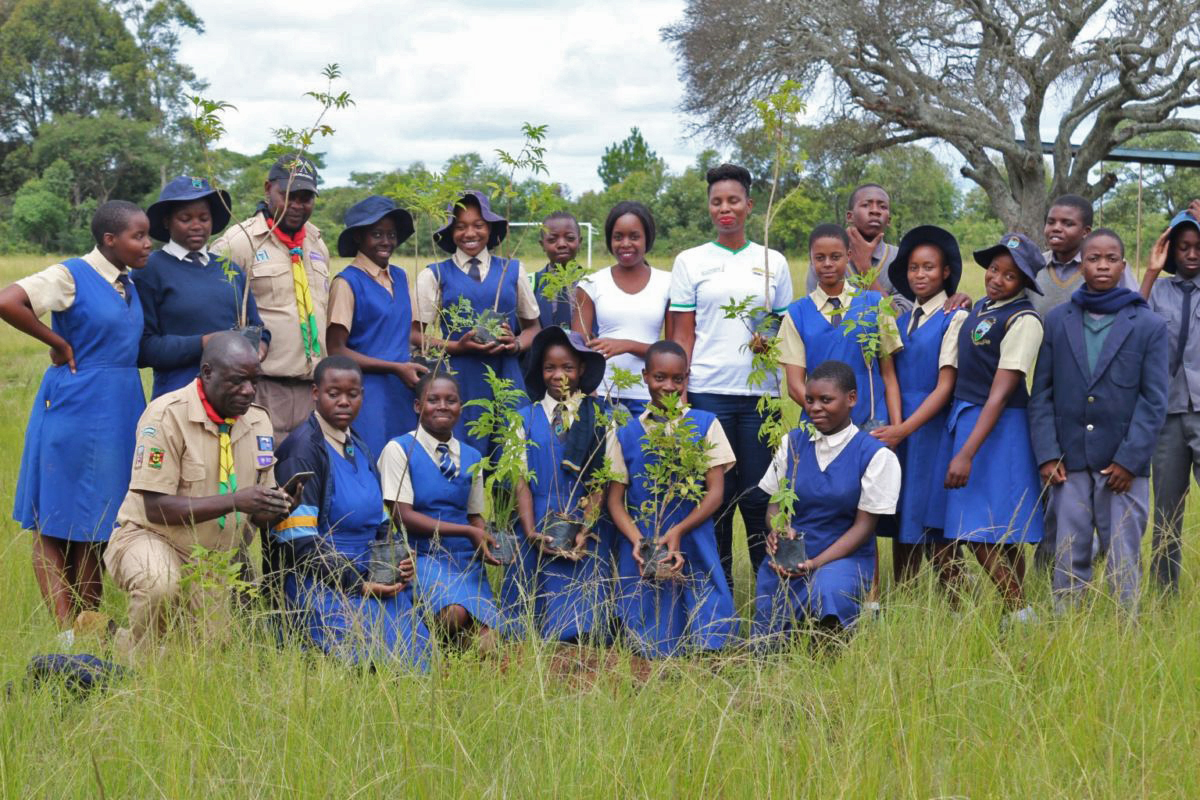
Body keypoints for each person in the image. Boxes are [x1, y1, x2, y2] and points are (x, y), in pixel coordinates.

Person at [2, 200, 152, 631]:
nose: (147, 244)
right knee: (53, 517)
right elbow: (9, 301)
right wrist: (58, 342)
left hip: (120, 404)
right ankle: (66, 631)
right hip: (76, 403)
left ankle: (92, 621)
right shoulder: (70, 275)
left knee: (99, 518)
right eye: (137, 236)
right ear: (110, 240)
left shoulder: (129, 283)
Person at [103, 333, 299, 659]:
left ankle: (109, 636)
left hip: (212, 555)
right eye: (238, 382)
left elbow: (256, 511)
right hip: (152, 536)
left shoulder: (258, 421)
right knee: (160, 586)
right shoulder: (166, 416)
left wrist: (278, 505)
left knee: (205, 655)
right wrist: (237, 500)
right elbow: (155, 508)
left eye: (254, 381)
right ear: (207, 373)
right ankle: (131, 675)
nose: (249, 391)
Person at [668, 163, 793, 589]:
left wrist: (768, 338)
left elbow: (784, 327)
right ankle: (717, 596)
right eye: (717, 201)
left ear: (749, 205)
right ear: (709, 207)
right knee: (713, 500)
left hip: (761, 397)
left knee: (759, 499)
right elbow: (683, 333)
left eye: (733, 201)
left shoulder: (772, 261)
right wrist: (681, 394)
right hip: (708, 395)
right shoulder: (690, 261)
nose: (726, 209)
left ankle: (766, 594)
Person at [1030, 229, 1167, 612]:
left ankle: (1125, 630)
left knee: (1123, 551)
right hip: (1068, 462)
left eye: (1111, 259)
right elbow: (1041, 393)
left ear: (1123, 266)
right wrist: (1047, 453)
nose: (1102, 265)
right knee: (1069, 550)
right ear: (1082, 266)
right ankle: (1068, 624)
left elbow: (1154, 400)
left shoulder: (1148, 324)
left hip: (1122, 465)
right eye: (1093, 259)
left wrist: (1130, 460)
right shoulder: (1058, 321)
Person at [271, 356, 432, 668]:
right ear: (315, 393)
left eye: (353, 394)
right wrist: (358, 584)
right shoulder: (302, 451)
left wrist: (400, 558)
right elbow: (299, 543)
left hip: (374, 577)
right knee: (378, 664)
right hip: (324, 584)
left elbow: (381, 521)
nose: (344, 402)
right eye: (334, 394)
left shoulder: (358, 444)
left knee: (420, 655)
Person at [605, 340, 738, 658]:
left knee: (704, 602)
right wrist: (638, 540)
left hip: (692, 531)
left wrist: (678, 531)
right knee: (649, 628)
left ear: (686, 379)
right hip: (644, 537)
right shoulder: (623, 431)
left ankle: (709, 650)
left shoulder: (706, 424)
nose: (668, 386)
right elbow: (614, 501)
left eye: (678, 379)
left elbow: (716, 492)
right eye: (660, 377)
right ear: (645, 376)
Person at [753, 360, 901, 641]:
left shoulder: (875, 455)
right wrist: (777, 528)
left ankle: (831, 646)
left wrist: (816, 563)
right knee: (773, 610)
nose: (815, 408)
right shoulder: (792, 443)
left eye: (826, 400)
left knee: (827, 589)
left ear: (852, 399)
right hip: (794, 553)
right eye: (809, 400)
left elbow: (864, 528)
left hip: (845, 555)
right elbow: (774, 504)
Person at [944, 234, 1046, 623]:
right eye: (993, 269)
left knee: (978, 527)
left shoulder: (1025, 320)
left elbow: (1001, 393)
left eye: (1010, 275)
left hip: (999, 428)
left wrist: (967, 452)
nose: (997, 278)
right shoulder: (985, 307)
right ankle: (1012, 613)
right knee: (995, 528)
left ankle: (1021, 612)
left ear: (1024, 283)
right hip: (971, 419)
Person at [378, 371, 508, 650]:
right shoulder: (398, 449)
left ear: (461, 406)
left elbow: (474, 514)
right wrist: (468, 531)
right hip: (421, 555)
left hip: (463, 559)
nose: (442, 406)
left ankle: (453, 646)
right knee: (454, 614)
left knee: (491, 644)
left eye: (451, 400)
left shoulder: (472, 456)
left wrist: (488, 543)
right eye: (433, 399)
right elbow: (403, 515)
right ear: (417, 406)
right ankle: (421, 636)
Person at [871, 226, 968, 585]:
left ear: (945, 272)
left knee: (934, 521)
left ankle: (959, 607)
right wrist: (897, 428)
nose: (920, 275)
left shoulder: (954, 317)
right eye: (913, 268)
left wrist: (904, 429)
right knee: (902, 517)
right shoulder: (900, 318)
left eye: (929, 267)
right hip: (900, 429)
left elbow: (945, 386)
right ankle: (906, 604)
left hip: (930, 431)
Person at [504, 326, 614, 642]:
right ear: (540, 371)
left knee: (582, 620)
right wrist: (528, 531)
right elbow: (521, 481)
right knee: (531, 615)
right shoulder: (522, 419)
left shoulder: (601, 417)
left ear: (581, 370)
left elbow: (600, 482)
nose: (558, 375)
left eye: (567, 367)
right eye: (550, 367)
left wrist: (584, 527)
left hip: (583, 524)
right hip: (536, 517)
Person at [411, 190, 540, 456]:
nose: (470, 233)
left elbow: (533, 328)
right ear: (450, 232)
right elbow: (414, 336)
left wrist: (515, 344)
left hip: (507, 378)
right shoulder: (434, 274)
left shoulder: (513, 270)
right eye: (461, 226)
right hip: (459, 381)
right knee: (465, 458)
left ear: (490, 228)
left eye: (478, 225)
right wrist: (458, 346)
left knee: (512, 456)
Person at [212, 154, 331, 441]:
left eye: (306, 198)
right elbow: (216, 311)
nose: (297, 206)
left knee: (305, 474)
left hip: (311, 387)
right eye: (288, 196)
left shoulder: (316, 242)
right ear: (268, 189)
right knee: (261, 471)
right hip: (262, 386)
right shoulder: (238, 242)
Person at [136, 175, 270, 398]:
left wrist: (259, 349)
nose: (196, 226)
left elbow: (257, 327)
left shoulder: (231, 270)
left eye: (204, 218)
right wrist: (206, 343)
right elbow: (144, 348)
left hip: (234, 398)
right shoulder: (149, 270)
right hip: (179, 396)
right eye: (185, 218)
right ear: (167, 221)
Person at [326, 195, 427, 458]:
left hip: (402, 392)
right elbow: (336, 350)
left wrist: (456, 345)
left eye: (391, 235)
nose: (386, 242)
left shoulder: (401, 277)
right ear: (359, 237)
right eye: (377, 234)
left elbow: (410, 334)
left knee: (403, 468)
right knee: (371, 461)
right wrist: (394, 367)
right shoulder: (347, 282)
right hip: (366, 393)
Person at [780, 224, 902, 428]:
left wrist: (896, 427)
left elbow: (888, 374)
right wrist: (827, 418)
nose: (827, 264)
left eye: (835, 257)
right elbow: (794, 385)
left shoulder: (875, 304)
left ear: (849, 256)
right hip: (819, 426)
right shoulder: (796, 314)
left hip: (872, 422)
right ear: (811, 260)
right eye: (820, 258)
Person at [1141, 210, 1200, 592]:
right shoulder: (1158, 293)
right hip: (1167, 417)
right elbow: (1127, 321)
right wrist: (1150, 272)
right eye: (1183, 247)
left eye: (1198, 247)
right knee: (1166, 512)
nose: (1192, 254)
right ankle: (1163, 595)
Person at [576, 201, 671, 418]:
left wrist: (626, 345)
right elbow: (578, 347)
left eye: (634, 236)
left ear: (647, 238)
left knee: (646, 452)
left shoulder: (667, 283)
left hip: (651, 395)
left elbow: (672, 351)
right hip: (602, 393)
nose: (625, 243)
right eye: (618, 237)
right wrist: (589, 392)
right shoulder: (591, 283)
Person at [1034, 194, 1138, 317]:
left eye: (1067, 224)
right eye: (1051, 222)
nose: (1056, 228)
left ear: (1086, 232)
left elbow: (1135, 310)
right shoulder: (1034, 264)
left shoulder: (1111, 266)